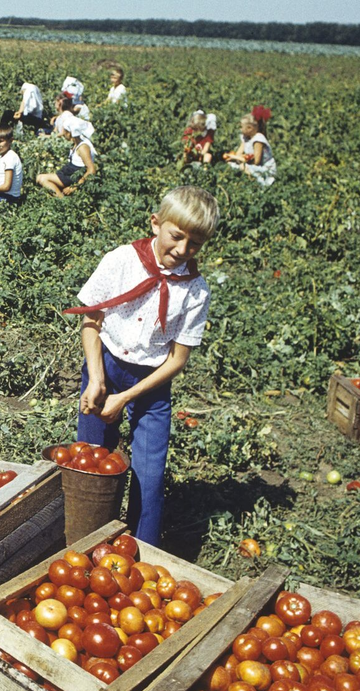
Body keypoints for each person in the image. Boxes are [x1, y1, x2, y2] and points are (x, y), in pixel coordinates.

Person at [64, 185, 218, 546]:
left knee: (149, 475)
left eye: (194, 244)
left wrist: (127, 397)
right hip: (105, 365)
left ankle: (141, 550)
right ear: (155, 223)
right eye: (176, 236)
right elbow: (91, 319)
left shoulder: (195, 291)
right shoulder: (121, 260)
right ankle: (84, 538)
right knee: (90, 458)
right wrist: (97, 378)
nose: (182, 250)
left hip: (151, 384)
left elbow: (177, 359)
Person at [38, 119, 97, 197]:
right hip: (69, 174)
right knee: (44, 177)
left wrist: (74, 187)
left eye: (65, 131)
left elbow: (91, 170)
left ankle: (62, 200)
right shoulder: (77, 143)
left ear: (70, 133)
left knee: (41, 178)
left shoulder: (83, 147)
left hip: (73, 177)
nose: (63, 134)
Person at [224, 107, 277, 186]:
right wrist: (233, 157)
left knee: (243, 167)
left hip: (264, 167)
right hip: (252, 163)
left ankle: (256, 184)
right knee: (233, 164)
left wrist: (236, 158)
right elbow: (239, 153)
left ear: (249, 128)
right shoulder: (246, 137)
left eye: (241, 127)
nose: (240, 129)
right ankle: (241, 180)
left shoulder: (258, 140)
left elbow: (257, 161)